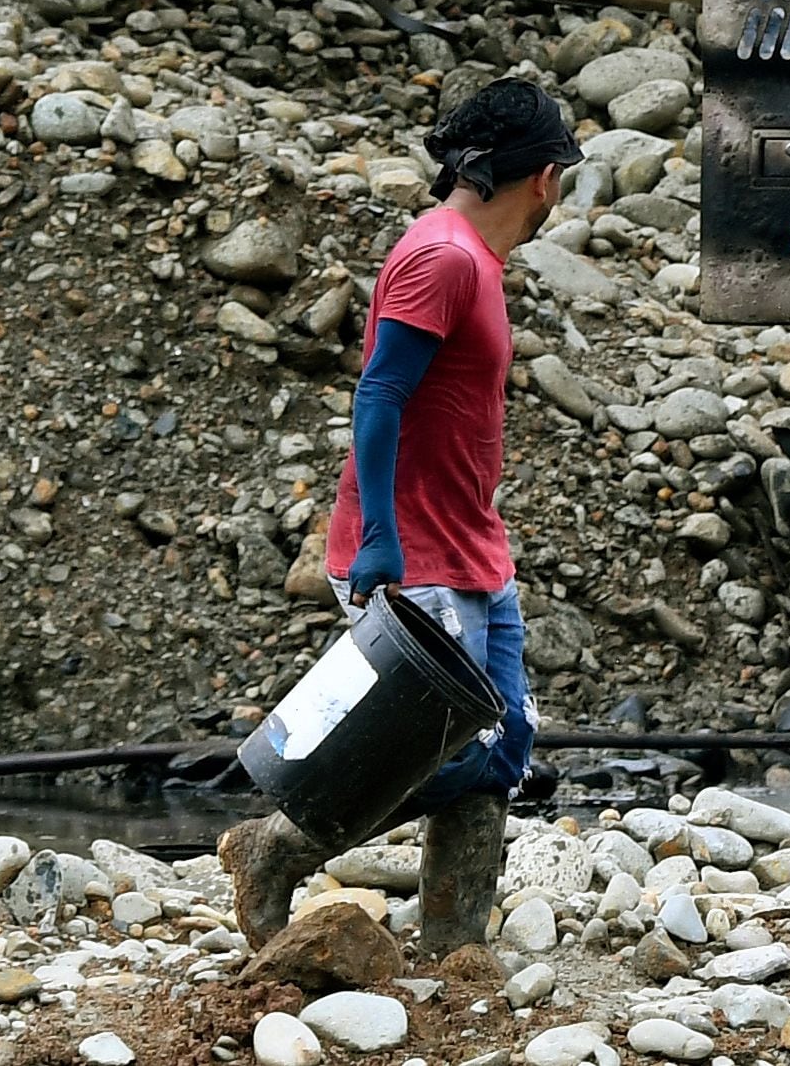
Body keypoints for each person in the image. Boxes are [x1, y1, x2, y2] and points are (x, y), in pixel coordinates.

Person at [222, 72, 577, 964]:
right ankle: (273, 846)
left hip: (472, 548)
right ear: (544, 179)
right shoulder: (445, 257)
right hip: (414, 549)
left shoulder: (474, 258)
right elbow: (379, 392)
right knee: (421, 748)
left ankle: (455, 948)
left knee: (501, 746)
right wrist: (378, 532)